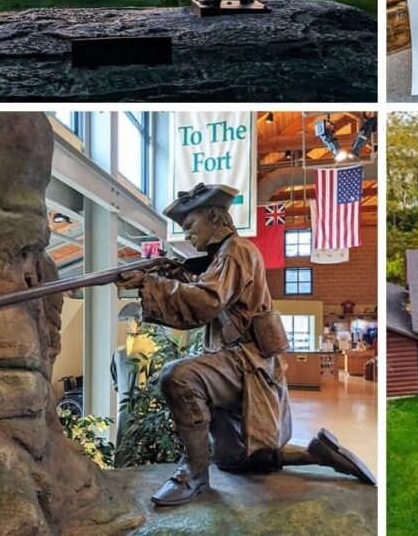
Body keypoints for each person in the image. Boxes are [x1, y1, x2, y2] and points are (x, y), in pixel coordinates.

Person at [116, 183, 375, 507]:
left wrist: (152, 284)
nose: (188, 236)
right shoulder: (223, 258)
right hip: (242, 362)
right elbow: (204, 288)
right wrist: (173, 275)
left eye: (190, 226)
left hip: (247, 362)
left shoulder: (236, 251)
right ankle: (315, 452)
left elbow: (208, 300)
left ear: (213, 217)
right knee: (234, 460)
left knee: (177, 377)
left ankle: (193, 474)